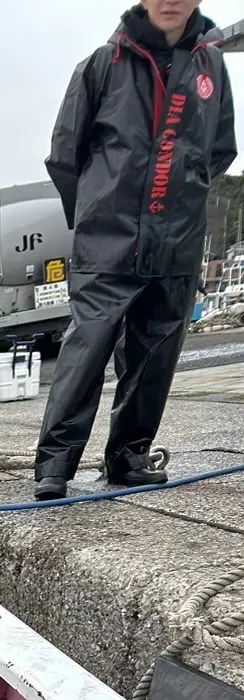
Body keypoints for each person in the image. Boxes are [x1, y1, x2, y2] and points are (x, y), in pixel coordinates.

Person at [34, 1, 236, 499]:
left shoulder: (211, 66)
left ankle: (128, 456)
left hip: (177, 241)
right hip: (108, 237)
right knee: (89, 345)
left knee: (156, 353)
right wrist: (93, 217)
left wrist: (184, 198)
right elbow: (65, 155)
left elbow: (220, 149)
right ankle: (55, 464)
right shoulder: (102, 66)